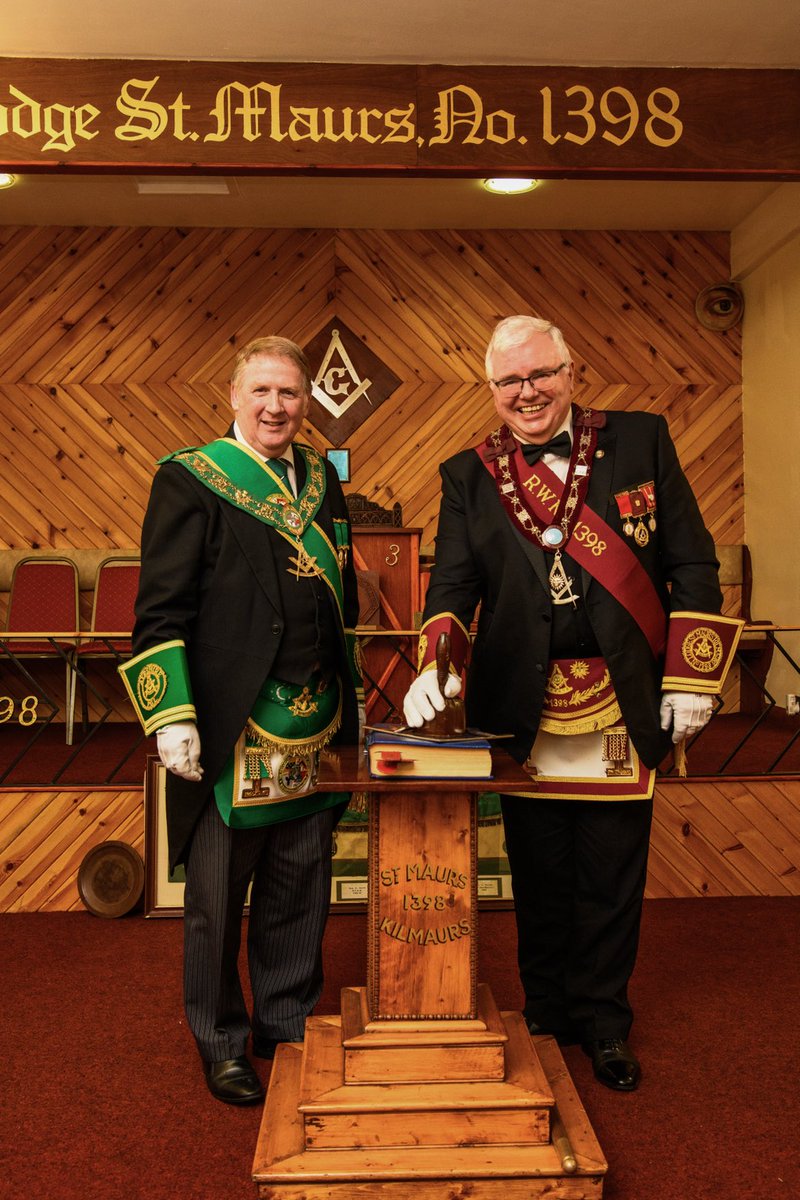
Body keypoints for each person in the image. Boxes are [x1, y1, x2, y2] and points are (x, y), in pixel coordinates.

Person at [403, 315, 742, 1091]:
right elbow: (454, 587)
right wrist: (437, 660)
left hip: (622, 700)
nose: (527, 392)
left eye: (540, 374)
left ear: (572, 370)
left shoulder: (640, 440)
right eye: (510, 382)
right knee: (539, 872)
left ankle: (606, 1023)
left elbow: (691, 560)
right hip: (525, 707)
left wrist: (693, 677)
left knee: (612, 875)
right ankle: (547, 1016)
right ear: (491, 392)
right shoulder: (468, 475)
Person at [120, 336, 363, 1105]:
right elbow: (159, 608)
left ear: (305, 403)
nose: (275, 408)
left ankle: (285, 1022)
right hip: (231, 728)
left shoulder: (321, 479)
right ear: (232, 396)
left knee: (301, 886)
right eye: (261, 392)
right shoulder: (190, 479)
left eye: (289, 394)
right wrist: (172, 715)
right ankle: (221, 1040)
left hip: (315, 721)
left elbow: (342, 594)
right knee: (217, 903)